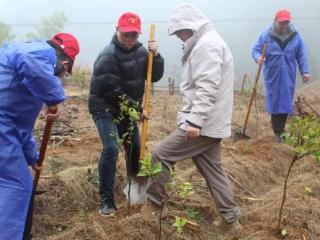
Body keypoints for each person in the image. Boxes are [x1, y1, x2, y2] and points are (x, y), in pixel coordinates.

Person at [141, 3, 241, 234]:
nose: (178, 37)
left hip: (203, 124)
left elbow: (208, 87)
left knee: (161, 155)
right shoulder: (206, 43)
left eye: (180, 32)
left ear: (191, 26)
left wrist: (195, 121)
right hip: (209, 122)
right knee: (212, 169)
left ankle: (154, 205)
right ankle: (231, 220)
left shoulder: (208, 46)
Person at [0, 33, 80, 239]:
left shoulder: (28, 83)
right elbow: (29, 58)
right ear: (64, 63)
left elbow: (21, 127)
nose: (60, 79)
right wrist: (55, 97)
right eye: (64, 74)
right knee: (17, 185)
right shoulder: (39, 52)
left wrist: (32, 157)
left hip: (5, 128)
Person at [88, 12, 164, 216]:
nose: (129, 39)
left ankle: (135, 191)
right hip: (105, 107)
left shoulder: (142, 52)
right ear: (117, 30)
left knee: (135, 148)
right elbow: (112, 91)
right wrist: (137, 109)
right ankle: (106, 201)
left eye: (133, 35)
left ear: (138, 35)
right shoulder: (108, 55)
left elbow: (155, 76)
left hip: (127, 108)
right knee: (112, 148)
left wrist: (156, 56)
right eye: (125, 34)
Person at [252, 9, 310, 142]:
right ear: (275, 21)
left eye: (286, 22)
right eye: (282, 22)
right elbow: (256, 49)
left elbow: (301, 54)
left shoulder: (295, 36)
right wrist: (258, 58)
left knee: (286, 101)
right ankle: (278, 131)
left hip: (288, 74)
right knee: (275, 100)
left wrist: (304, 71)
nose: (284, 25)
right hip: (273, 74)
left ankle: (281, 130)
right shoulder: (266, 35)